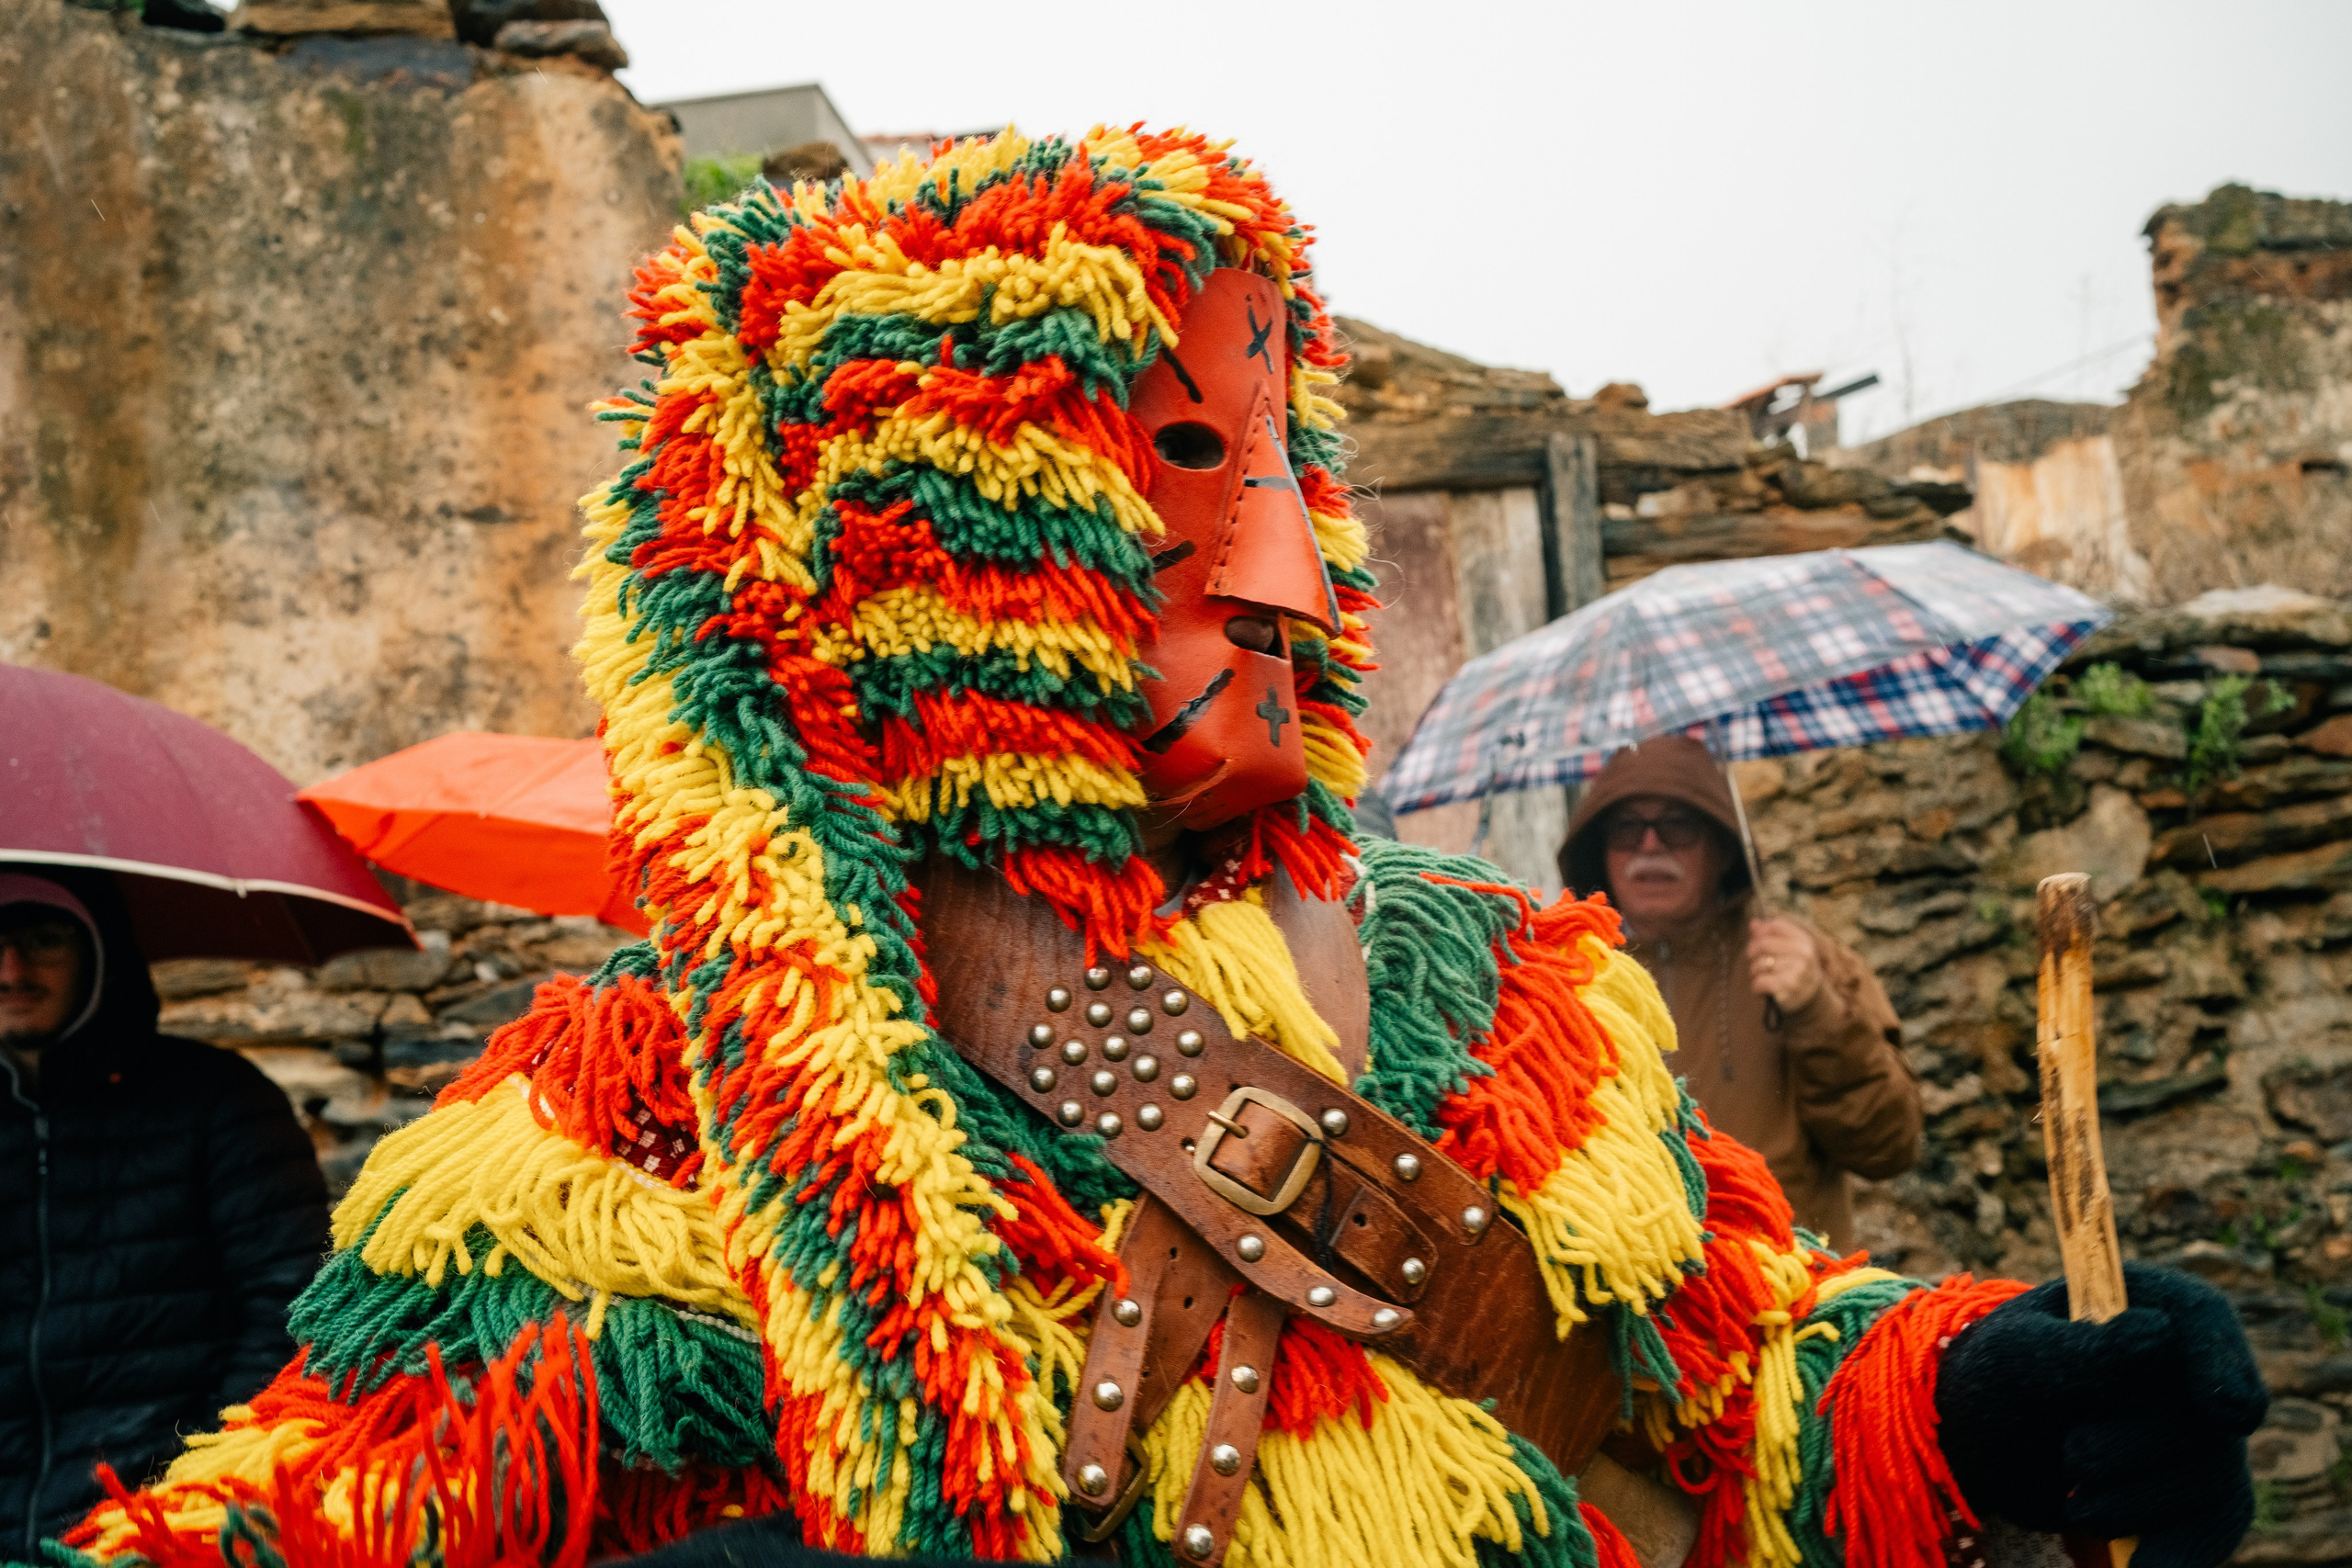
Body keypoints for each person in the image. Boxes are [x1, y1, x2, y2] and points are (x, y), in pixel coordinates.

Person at [68, 129, 2260, 1568]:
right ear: (919, 540)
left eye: (1280, 472)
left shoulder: (1504, 988)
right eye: (1181, 475)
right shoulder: (623, 1102)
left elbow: (1723, 1386)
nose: (1287, 575)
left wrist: (1967, 1387)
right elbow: (287, 1515)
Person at [0, 872, 328, 1558]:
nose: (13, 970)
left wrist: (191, 1478)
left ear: (101, 954)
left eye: (45, 939)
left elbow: (291, 1311)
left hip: (162, 1523)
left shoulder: (221, 1103)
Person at [1556, 737, 1922, 1252]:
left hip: (1786, 1283)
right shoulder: (1565, 976)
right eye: (1626, 828)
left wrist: (1816, 1011)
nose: (1650, 846)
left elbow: (1889, 1147)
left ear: (1725, 848)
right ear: (1599, 849)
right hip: (1628, 1289)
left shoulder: (1801, 960)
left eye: (1679, 826)